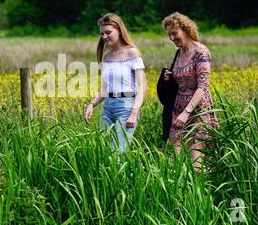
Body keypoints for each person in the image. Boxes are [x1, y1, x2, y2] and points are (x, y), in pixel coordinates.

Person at [162, 12, 219, 172]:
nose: (172, 38)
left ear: (185, 30)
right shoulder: (179, 52)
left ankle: (202, 194)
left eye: (174, 33)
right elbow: (185, 77)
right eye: (169, 35)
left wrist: (187, 112)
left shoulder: (201, 52)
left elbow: (202, 86)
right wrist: (171, 77)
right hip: (177, 110)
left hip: (198, 111)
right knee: (174, 163)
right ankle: (180, 195)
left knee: (197, 165)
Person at [84, 13, 147, 153]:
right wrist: (92, 104)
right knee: (106, 151)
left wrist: (134, 113)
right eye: (102, 33)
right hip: (108, 107)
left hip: (126, 107)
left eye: (108, 32)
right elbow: (105, 88)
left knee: (118, 152)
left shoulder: (132, 53)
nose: (104, 36)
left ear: (119, 30)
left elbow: (142, 87)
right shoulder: (107, 56)